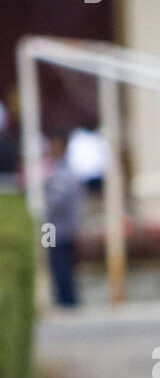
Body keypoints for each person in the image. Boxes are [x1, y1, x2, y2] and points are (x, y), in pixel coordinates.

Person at [43, 131, 81, 307]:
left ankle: (66, 300)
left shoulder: (63, 171)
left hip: (56, 228)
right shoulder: (58, 169)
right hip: (54, 226)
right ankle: (61, 298)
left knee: (59, 264)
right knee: (54, 263)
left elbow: (55, 201)